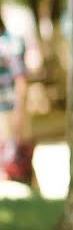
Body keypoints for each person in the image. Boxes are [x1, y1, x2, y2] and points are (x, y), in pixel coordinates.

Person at [0, 13, 30, 182]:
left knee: (17, 165)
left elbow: (21, 81)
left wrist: (20, 112)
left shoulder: (11, 43)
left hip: (10, 110)